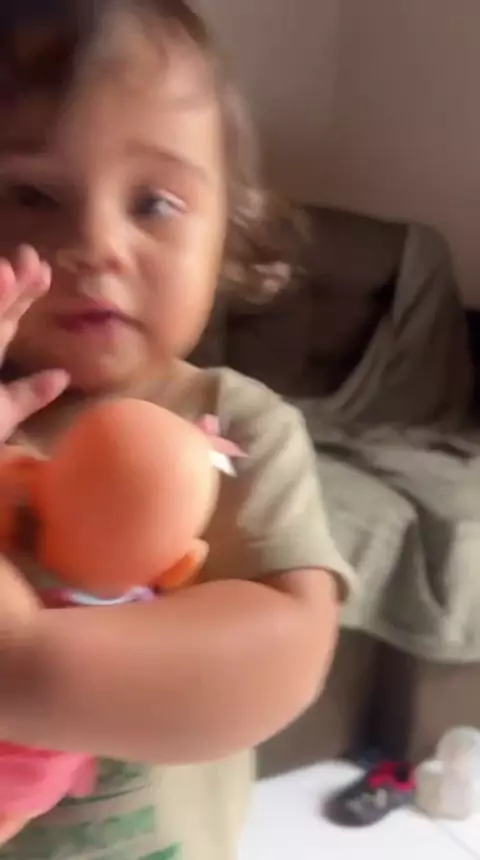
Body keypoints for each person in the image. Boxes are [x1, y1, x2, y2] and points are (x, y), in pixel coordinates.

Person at [0, 1, 355, 858]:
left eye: (154, 202)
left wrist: (23, 662)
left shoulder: (234, 428)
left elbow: (279, 660)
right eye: (31, 195)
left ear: (227, 229)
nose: (96, 244)